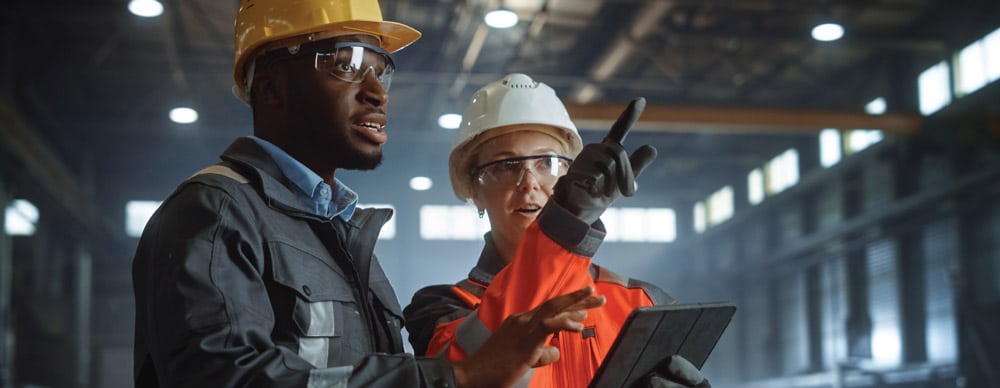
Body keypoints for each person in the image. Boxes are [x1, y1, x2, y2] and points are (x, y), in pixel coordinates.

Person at [130, 2, 606, 387]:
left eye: (382, 69)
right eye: (348, 65)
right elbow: (222, 377)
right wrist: (454, 378)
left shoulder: (337, 235)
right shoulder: (215, 211)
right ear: (271, 88)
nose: (378, 92)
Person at [403, 73, 710, 387]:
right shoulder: (442, 308)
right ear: (473, 189)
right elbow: (461, 374)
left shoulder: (643, 302)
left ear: (571, 173)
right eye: (505, 166)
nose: (529, 182)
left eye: (547, 162)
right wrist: (567, 222)